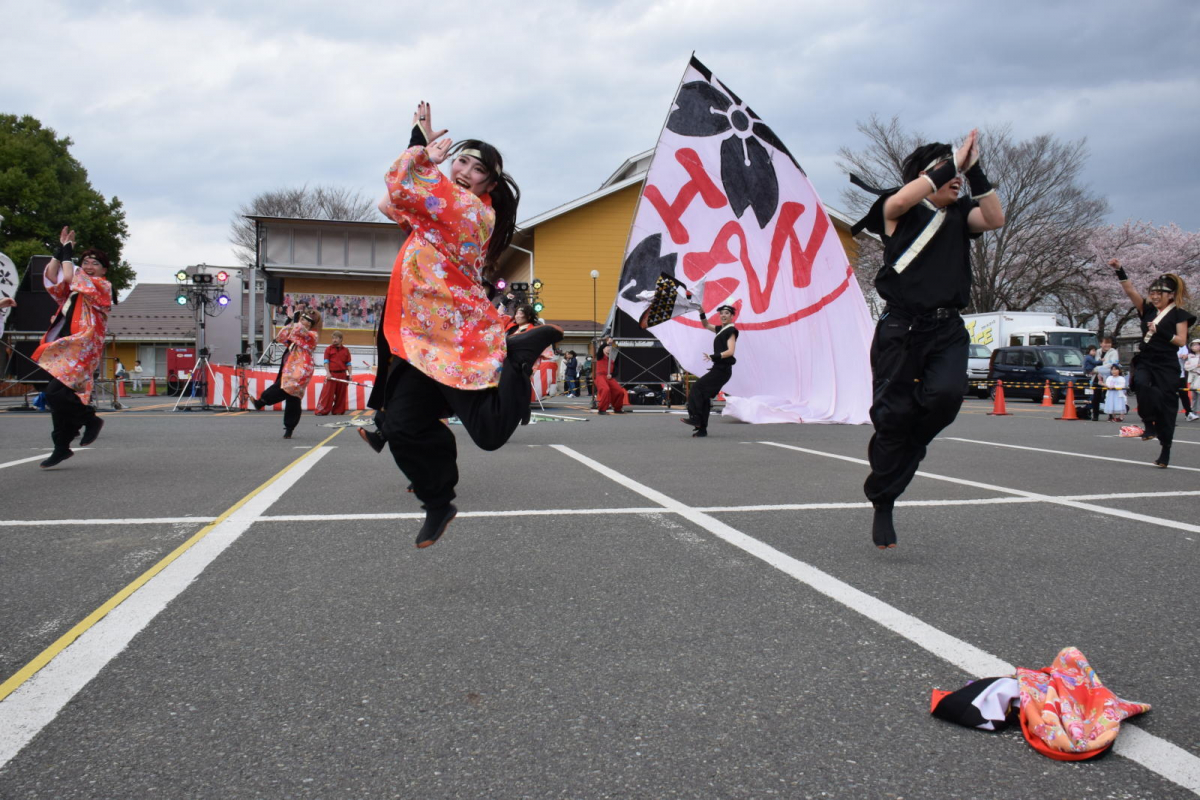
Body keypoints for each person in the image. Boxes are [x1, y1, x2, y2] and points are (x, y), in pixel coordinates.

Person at [368, 100, 562, 549]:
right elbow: (387, 202)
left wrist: (420, 148)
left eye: (476, 168)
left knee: (490, 434)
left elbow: (399, 185)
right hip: (424, 339)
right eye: (461, 159)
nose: (463, 170)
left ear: (489, 184)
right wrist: (429, 159)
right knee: (401, 425)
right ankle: (439, 501)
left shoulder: (468, 209)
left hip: (454, 339)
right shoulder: (444, 211)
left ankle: (518, 355)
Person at [850, 129, 1006, 548]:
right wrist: (951, 162)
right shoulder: (894, 209)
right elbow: (901, 200)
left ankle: (913, 444)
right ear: (926, 175)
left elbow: (994, 219)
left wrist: (975, 170)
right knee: (891, 418)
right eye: (949, 172)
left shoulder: (961, 214)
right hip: (902, 327)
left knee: (946, 396)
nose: (957, 178)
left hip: (947, 327)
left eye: (959, 173)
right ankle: (883, 500)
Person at [32, 226, 114, 468]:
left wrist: (69, 251)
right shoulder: (74, 291)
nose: (88, 266)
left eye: (95, 263)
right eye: (85, 262)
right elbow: (53, 276)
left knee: (56, 393)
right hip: (65, 348)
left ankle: (89, 420)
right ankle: (62, 446)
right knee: (59, 399)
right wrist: (60, 250)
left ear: (104, 270)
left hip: (82, 348)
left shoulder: (101, 286)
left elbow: (70, 276)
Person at [1110, 261, 1195, 467]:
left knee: (1167, 406)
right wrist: (1119, 270)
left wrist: (1161, 331)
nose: (1155, 296)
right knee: (1140, 384)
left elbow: (1181, 341)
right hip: (1146, 359)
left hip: (1166, 363)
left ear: (1171, 295)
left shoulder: (1179, 315)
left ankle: (1165, 450)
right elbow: (1130, 290)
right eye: (1152, 292)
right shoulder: (1147, 310)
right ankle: (1149, 425)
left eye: (1160, 292)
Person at [252, 309, 321, 438]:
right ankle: (289, 428)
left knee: (287, 388)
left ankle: (262, 401)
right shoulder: (297, 333)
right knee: (292, 396)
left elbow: (298, 331)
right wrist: (290, 320)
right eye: (302, 318)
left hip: (301, 368)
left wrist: (295, 320)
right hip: (290, 364)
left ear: (310, 324)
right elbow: (282, 335)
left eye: (305, 319)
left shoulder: (312, 335)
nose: (302, 321)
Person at [682, 304, 738, 438]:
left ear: (731, 316)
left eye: (726, 313)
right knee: (704, 397)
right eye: (721, 313)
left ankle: (696, 418)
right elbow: (706, 325)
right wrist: (702, 312)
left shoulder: (731, 331)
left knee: (697, 388)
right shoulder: (721, 329)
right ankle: (702, 429)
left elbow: (730, 351)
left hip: (722, 370)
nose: (723, 315)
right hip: (718, 369)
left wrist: (713, 356)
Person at [314, 330, 353, 416]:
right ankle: (322, 410)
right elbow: (326, 362)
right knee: (327, 394)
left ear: (341, 339)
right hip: (332, 375)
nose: (334, 340)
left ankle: (338, 411)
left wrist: (350, 375)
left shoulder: (346, 350)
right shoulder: (328, 349)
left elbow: (349, 364)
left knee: (341, 394)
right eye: (333, 338)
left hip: (342, 374)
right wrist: (328, 373)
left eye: (336, 338)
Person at [593, 337, 626, 415]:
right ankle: (602, 409)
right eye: (606, 347)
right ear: (603, 349)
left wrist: (611, 375)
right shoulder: (600, 356)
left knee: (620, 391)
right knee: (605, 390)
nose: (608, 349)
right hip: (600, 376)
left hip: (609, 377)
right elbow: (601, 348)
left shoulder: (611, 359)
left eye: (609, 348)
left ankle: (617, 408)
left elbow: (616, 371)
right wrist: (608, 343)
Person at [1185, 339, 1200, 420]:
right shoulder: (1190, 356)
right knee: (1194, 396)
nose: (1194, 347)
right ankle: (1193, 412)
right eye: (1193, 345)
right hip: (1193, 378)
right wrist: (1196, 366)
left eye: (1196, 345)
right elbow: (1187, 367)